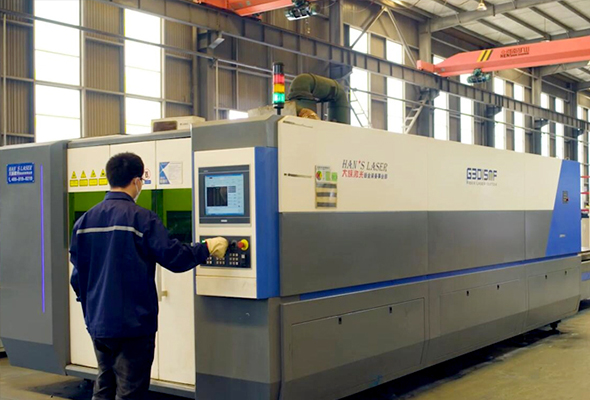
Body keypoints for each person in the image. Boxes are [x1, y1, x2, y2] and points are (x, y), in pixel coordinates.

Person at [69, 152, 228, 400]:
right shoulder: (142, 219)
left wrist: (93, 306)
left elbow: (77, 277)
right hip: (133, 325)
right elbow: (174, 257)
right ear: (136, 181)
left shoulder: (84, 222)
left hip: (98, 323)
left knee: (104, 384)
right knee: (130, 391)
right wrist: (206, 248)